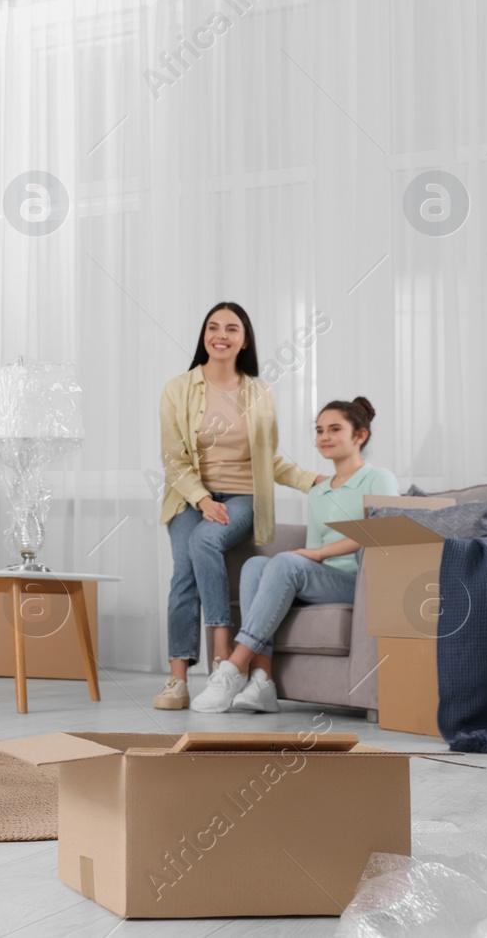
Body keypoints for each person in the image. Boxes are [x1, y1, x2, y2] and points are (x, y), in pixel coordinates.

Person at [153, 302, 324, 711]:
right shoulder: (178, 388)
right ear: (204, 336)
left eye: (232, 328)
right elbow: (173, 459)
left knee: (204, 543)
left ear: (244, 339)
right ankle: (178, 681)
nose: (221, 335)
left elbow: (271, 458)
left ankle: (221, 659)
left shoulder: (259, 392)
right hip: (188, 496)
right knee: (183, 576)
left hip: (246, 496)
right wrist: (202, 499)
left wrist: (309, 480)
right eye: (213, 327)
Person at [193, 397, 396, 713]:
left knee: (288, 561)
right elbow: (314, 550)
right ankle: (262, 680)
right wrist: (310, 558)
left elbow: (377, 532)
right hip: (323, 580)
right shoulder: (318, 491)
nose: (324, 437)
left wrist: (314, 555)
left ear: (360, 435)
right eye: (319, 431)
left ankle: (234, 667)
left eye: (334, 429)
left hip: (359, 581)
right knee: (255, 565)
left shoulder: (378, 478)